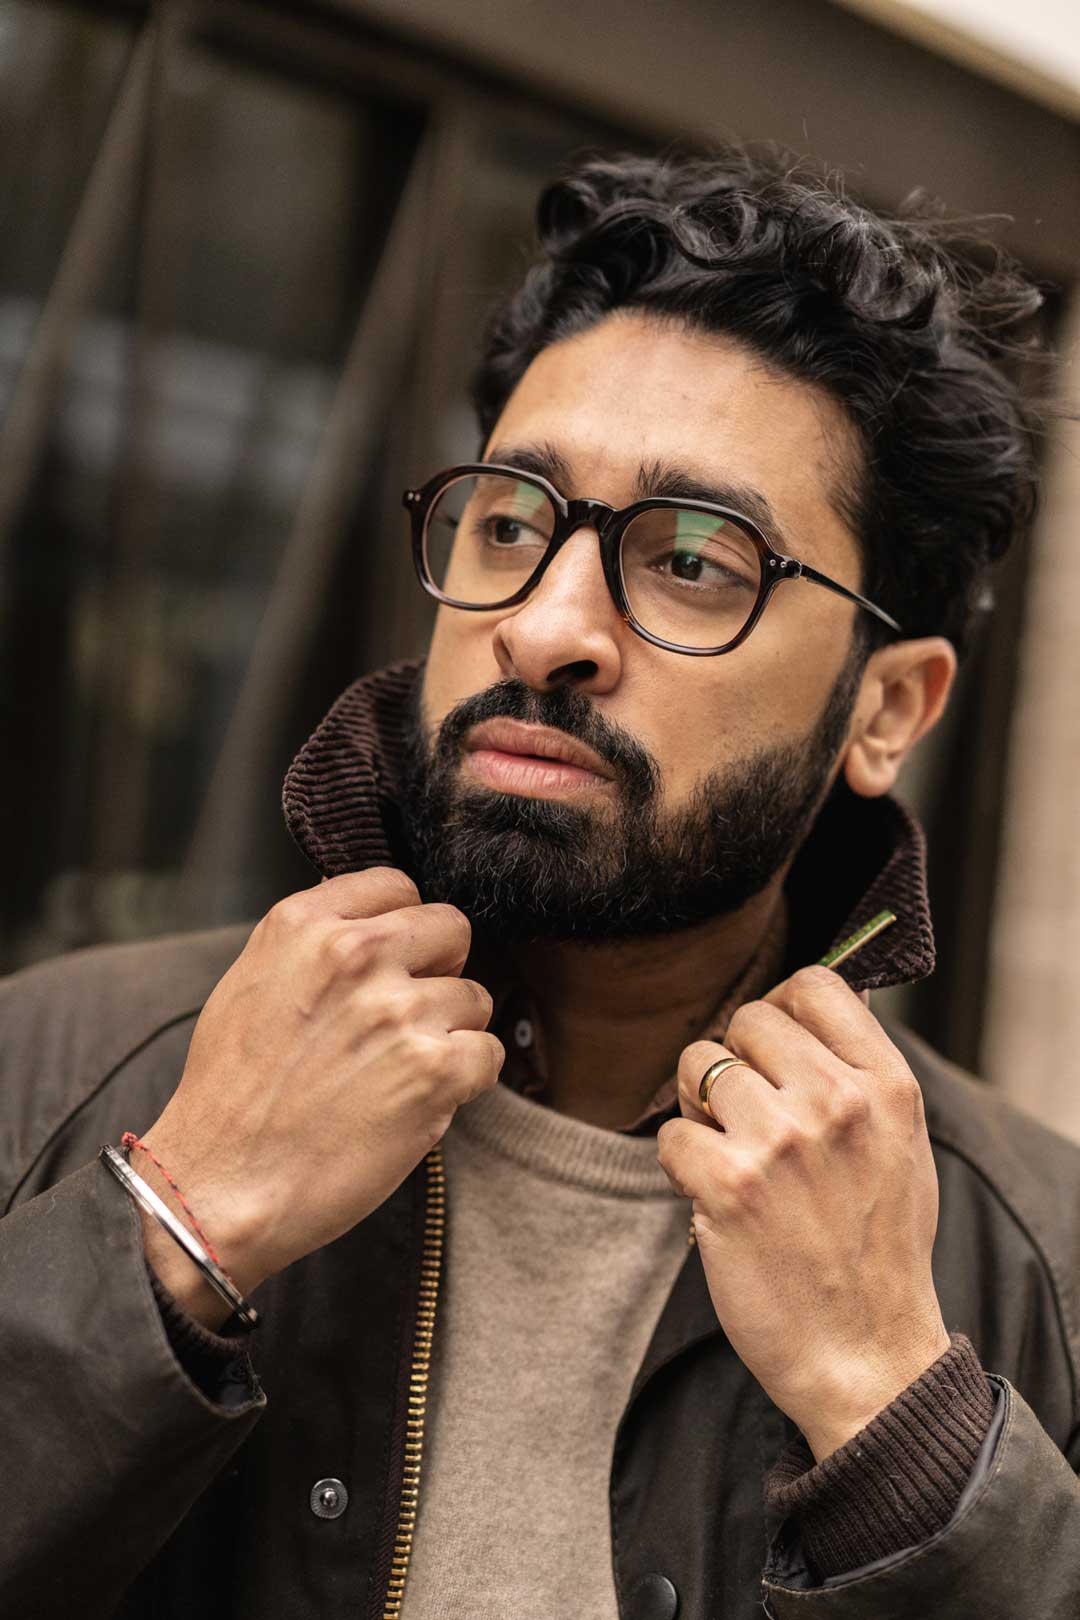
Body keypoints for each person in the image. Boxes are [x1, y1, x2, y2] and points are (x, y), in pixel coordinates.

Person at [3, 146, 1078, 1620]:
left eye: (695, 558)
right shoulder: (51, 1075)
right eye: (511, 523)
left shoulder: (1038, 1270)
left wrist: (890, 1409)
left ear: (889, 708)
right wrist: (175, 1236)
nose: (545, 626)